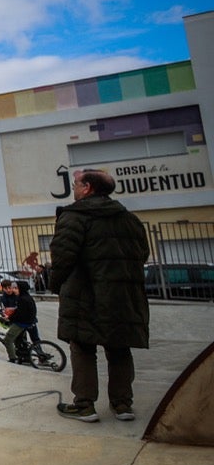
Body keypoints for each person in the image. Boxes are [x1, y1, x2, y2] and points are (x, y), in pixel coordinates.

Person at [51, 170, 149, 422]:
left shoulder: (75, 217)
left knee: (83, 346)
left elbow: (62, 256)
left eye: (76, 184)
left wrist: (55, 284)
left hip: (86, 293)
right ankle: (122, 405)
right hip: (123, 296)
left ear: (88, 188)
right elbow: (142, 254)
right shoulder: (129, 219)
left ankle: (84, 404)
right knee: (119, 349)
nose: (74, 188)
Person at [0, 278, 38, 363]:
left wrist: (10, 318)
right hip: (27, 321)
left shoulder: (21, 299)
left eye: (15, 288)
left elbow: (20, 314)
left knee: (8, 339)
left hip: (23, 323)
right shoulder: (26, 297)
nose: (12, 290)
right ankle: (24, 357)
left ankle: (12, 358)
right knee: (20, 340)